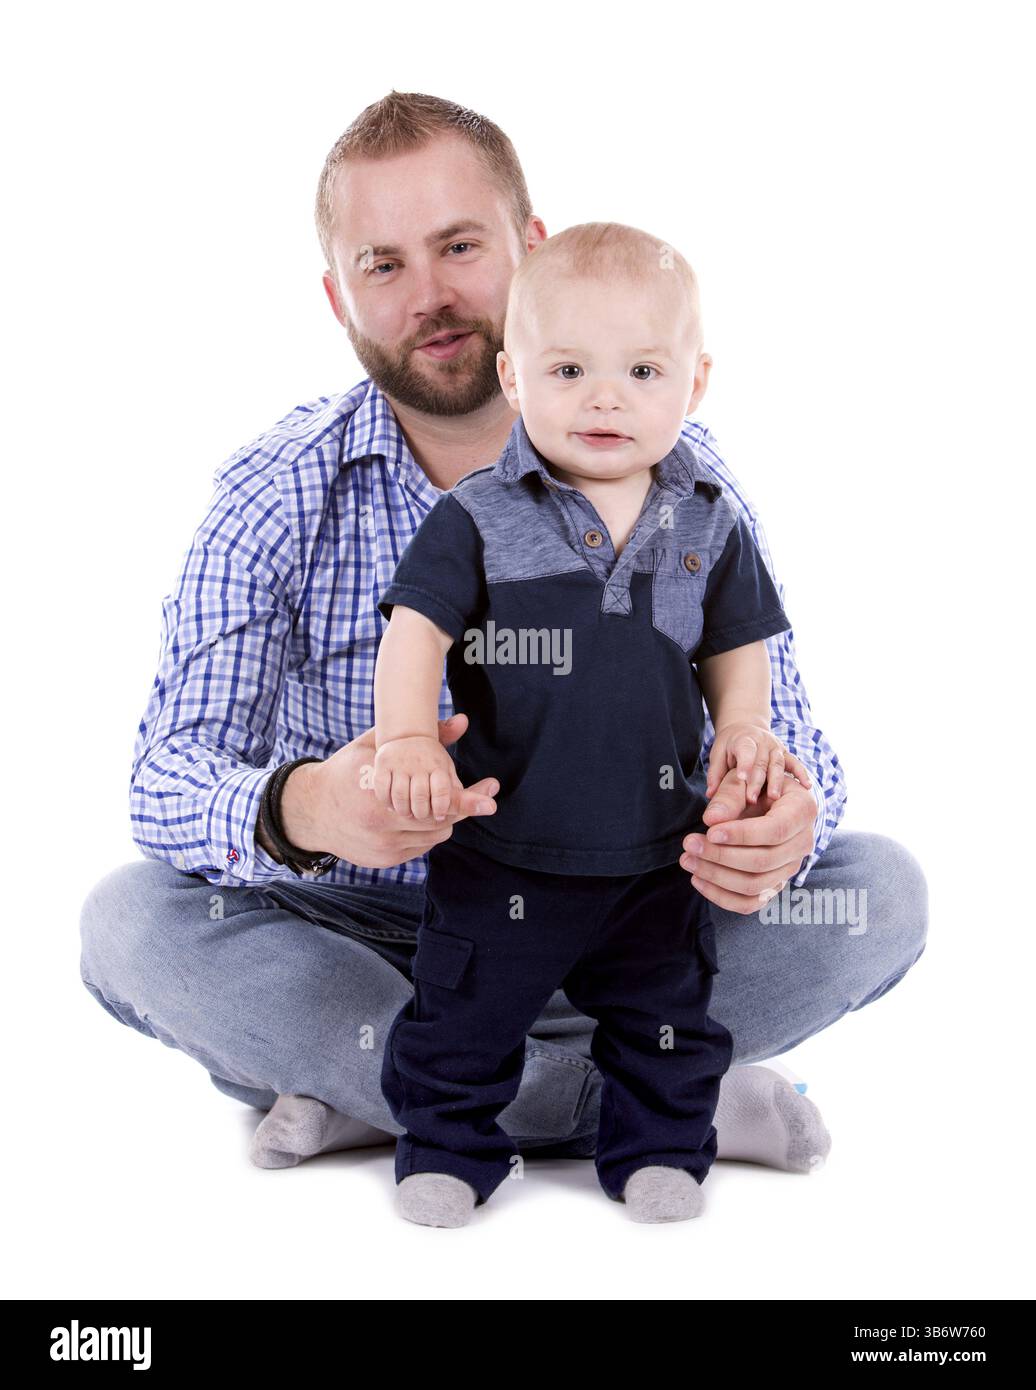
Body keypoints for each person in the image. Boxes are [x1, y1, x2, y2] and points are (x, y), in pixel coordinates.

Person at [78, 91, 928, 1183]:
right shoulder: (274, 492)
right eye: (382, 265)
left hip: (630, 912)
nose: (428, 295)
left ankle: (403, 1093)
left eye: (459, 246)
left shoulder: (688, 487)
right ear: (339, 297)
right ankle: (647, 1095)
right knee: (129, 920)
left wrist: (777, 818)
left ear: (530, 252)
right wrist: (303, 808)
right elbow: (161, 780)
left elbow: (789, 739)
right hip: (368, 938)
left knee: (879, 888)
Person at [373, 220, 816, 1226]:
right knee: (463, 1011)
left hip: (659, 853)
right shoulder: (480, 514)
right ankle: (447, 1146)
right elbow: (414, 633)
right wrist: (405, 739)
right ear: (513, 377)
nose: (605, 396)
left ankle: (659, 1145)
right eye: (568, 368)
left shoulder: (707, 514)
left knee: (665, 1013)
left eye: (641, 370)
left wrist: (746, 728)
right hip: (504, 850)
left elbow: (735, 648)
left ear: (693, 383)